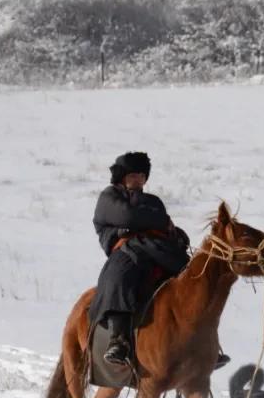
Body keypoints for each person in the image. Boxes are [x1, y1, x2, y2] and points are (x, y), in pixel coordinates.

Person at [88, 151, 228, 368]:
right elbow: (127, 216)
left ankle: (204, 343)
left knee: (192, 284)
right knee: (120, 278)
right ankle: (119, 340)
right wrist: (159, 221)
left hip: (158, 250)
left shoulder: (153, 201)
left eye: (142, 175)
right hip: (126, 251)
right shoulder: (109, 197)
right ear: (122, 176)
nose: (138, 179)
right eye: (133, 175)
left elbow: (158, 225)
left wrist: (176, 234)